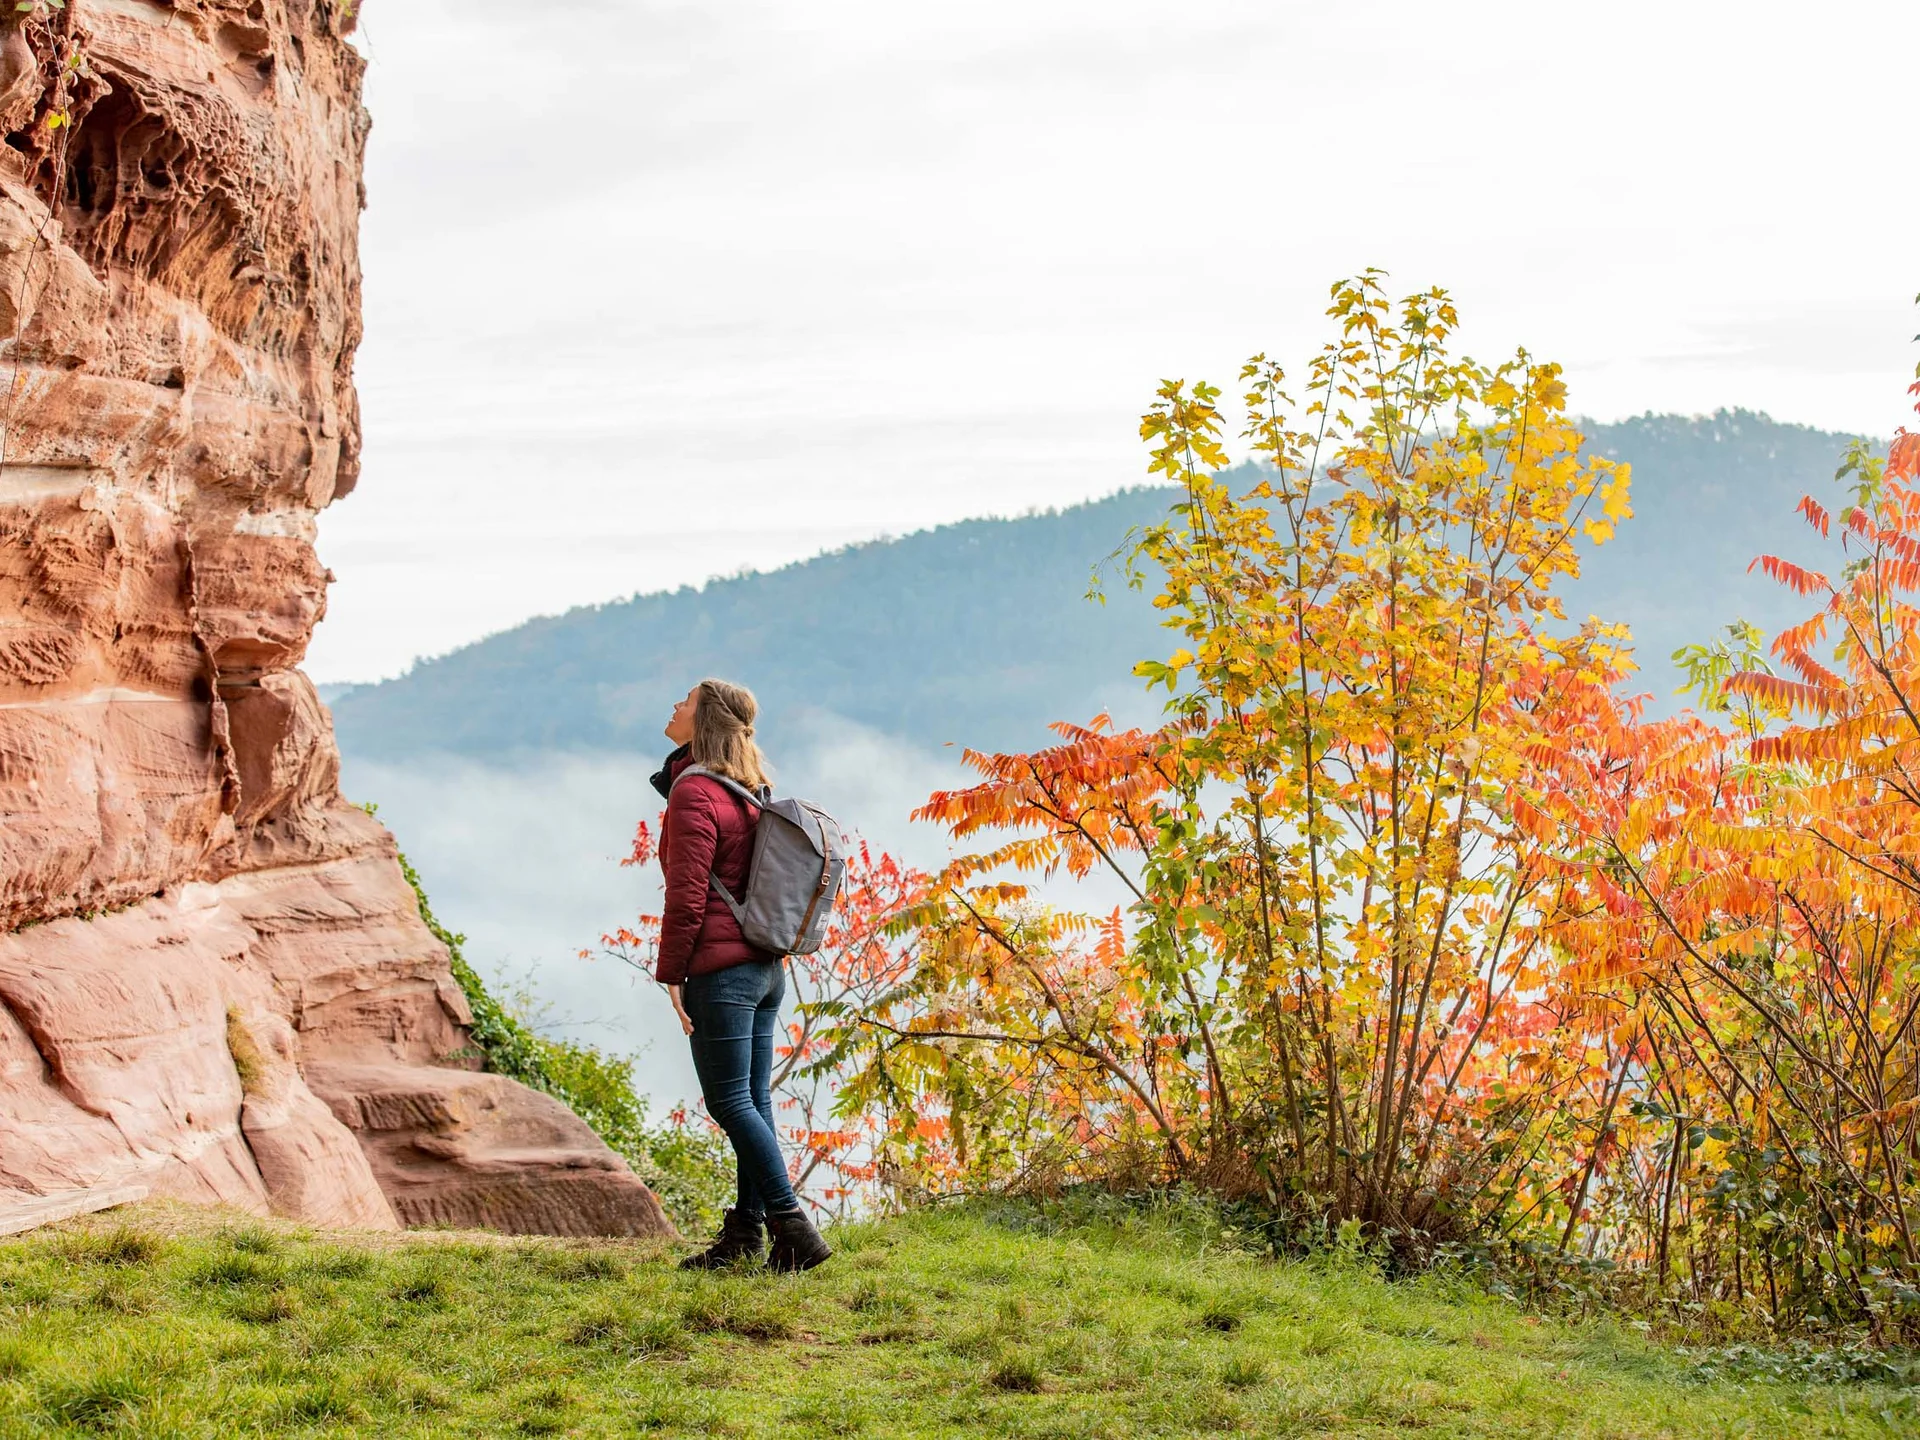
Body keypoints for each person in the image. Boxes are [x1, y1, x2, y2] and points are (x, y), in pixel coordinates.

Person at [650, 678, 832, 1272]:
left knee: (730, 1102)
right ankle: (746, 1237)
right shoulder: (750, 789)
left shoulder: (695, 791)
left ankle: (792, 1227)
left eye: (685, 701)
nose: (674, 706)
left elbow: (687, 896)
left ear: (703, 721)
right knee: (751, 1100)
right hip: (764, 968)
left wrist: (672, 973)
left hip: (722, 972)